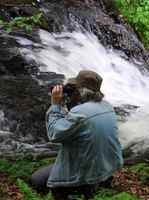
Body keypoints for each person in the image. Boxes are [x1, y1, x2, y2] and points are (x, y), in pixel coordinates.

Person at [31, 70, 123, 200]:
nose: (73, 91)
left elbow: (54, 134)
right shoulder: (107, 107)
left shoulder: (80, 113)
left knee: (37, 180)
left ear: (81, 91)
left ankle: (71, 190)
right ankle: (89, 190)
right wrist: (70, 104)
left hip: (84, 172)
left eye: (75, 88)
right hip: (105, 167)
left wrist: (55, 105)